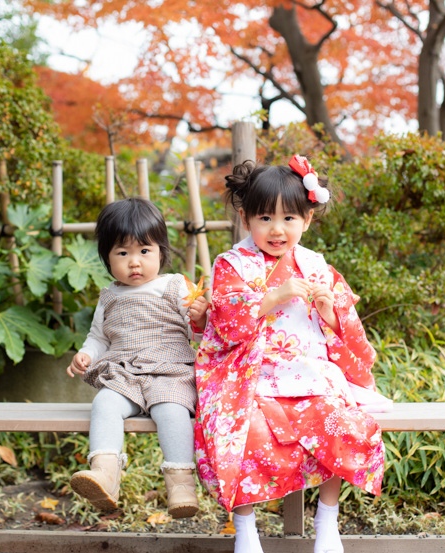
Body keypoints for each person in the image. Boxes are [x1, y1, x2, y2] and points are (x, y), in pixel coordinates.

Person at [194, 156, 388, 553]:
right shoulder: (231, 264)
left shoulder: (317, 266)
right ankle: (245, 529)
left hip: (312, 375)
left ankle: (327, 520)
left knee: (343, 425)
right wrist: (272, 297)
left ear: (307, 220)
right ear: (246, 219)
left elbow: (352, 333)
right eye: (265, 218)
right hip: (251, 377)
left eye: (289, 219)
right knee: (243, 433)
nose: (277, 230)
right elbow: (225, 323)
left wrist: (331, 312)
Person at [67, 197, 209, 519]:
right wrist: (86, 355)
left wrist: (200, 319)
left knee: (172, 413)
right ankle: (105, 473)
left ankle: (181, 484)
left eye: (144, 251)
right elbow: (99, 337)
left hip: (169, 372)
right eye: (123, 253)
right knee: (104, 404)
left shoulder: (175, 286)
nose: (134, 262)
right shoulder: (109, 295)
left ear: (161, 252)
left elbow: (200, 334)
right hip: (124, 374)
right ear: (107, 258)